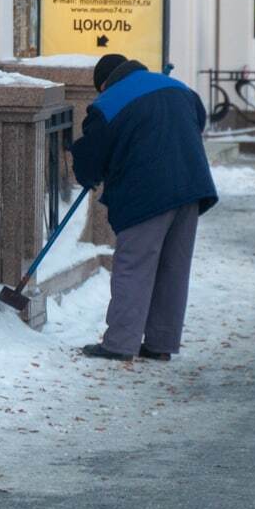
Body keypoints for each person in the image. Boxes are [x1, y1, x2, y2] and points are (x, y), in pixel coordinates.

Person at [72, 54, 218, 362]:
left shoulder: (108, 102)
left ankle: (120, 343)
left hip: (146, 193)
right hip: (191, 187)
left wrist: (89, 174)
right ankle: (160, 343)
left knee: (133, 265)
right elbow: (198, 120)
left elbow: (92, 153)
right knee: (173, 266)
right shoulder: (179, 88)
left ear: (103, 84)